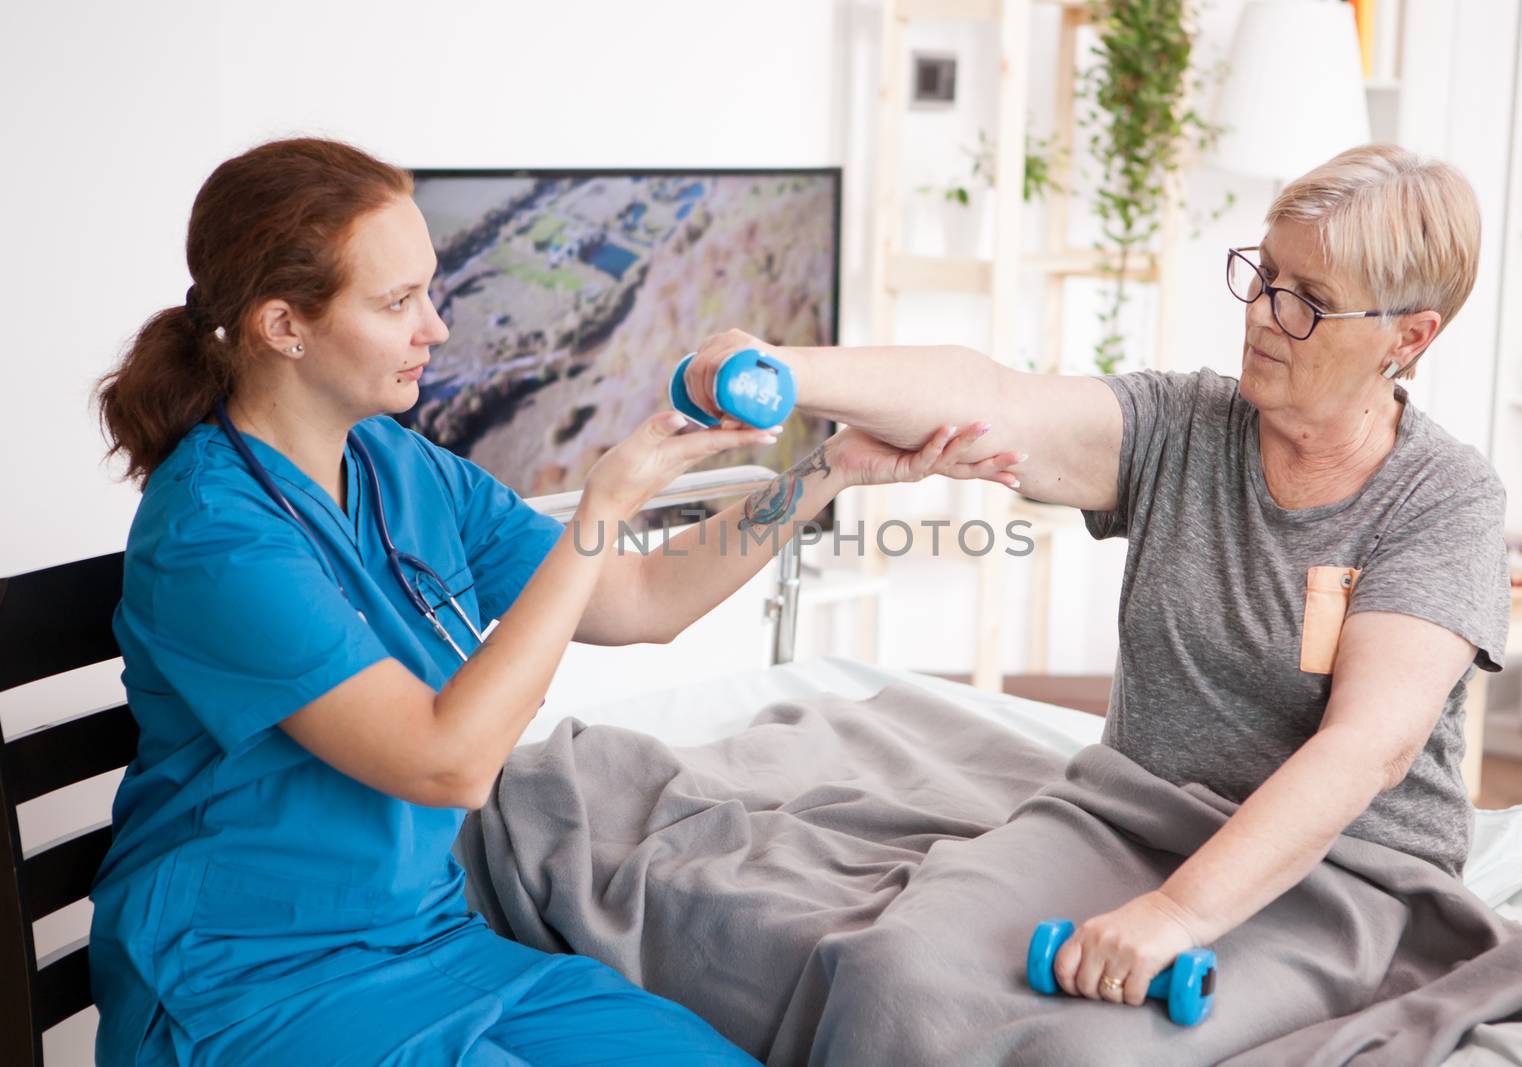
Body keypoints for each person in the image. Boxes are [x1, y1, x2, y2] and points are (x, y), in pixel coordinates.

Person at [89, 136, 1022, 1066]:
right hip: (247, 982)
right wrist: (601, 510)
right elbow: (447, 763)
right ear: (282, 324)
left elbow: (644, 599)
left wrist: (829, 470)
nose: (438, 328)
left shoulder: (398, 465)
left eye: (431, 288)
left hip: (425, 942)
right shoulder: (213, 535)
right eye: (398, 302)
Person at [682, 143, 1509, 1015]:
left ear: (1409, 336)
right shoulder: (1181, 424)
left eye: (1310, 302)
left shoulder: (1443, 500)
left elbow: (1365, 750)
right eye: (1264, 275)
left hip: (1346, 875)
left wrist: (1176, 914)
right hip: (1132, 817)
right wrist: (784, 368)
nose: (1264, 314)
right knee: (897, 973)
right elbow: (989, 394)